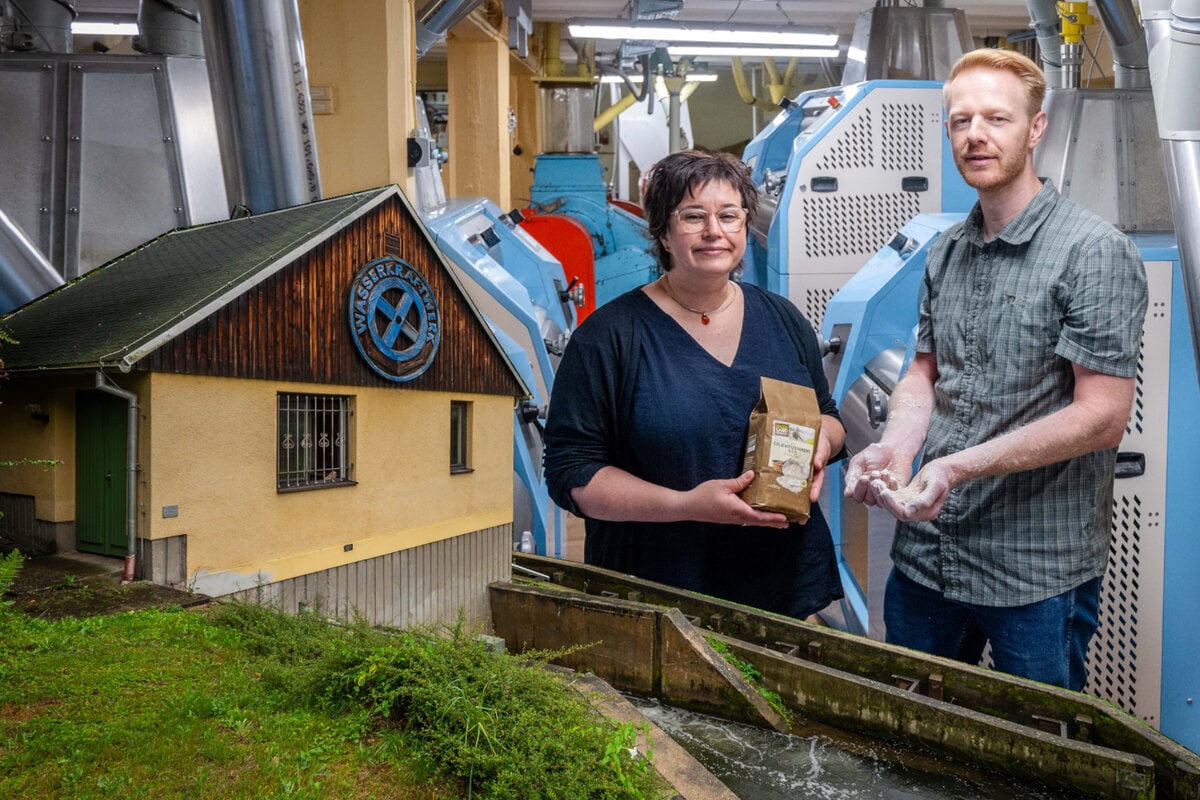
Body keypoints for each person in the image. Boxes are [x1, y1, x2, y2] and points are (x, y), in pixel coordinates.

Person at [842, 49, 1148, 691]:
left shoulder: (1093, 252)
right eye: (960, 121)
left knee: (1037, 755)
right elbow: (925, 373)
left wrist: (955, 466)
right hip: (929, 557)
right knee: (913, 731)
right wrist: (897, 448)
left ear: (1035, 129)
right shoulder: (947, 250)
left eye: (996, 119)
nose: (975, 134)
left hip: (1032, 569)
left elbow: (1101, 418)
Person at [543, 149, 846, 620]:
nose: (714, 231)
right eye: (693, 217)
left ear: (746, 226)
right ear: (663, 231)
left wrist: (820, 446)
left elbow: (828, 415)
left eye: (729, 215)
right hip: (660, 593)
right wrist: (686, 505)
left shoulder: (782, 318)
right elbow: (571, 474)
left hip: (777, 586)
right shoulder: (609, 337)